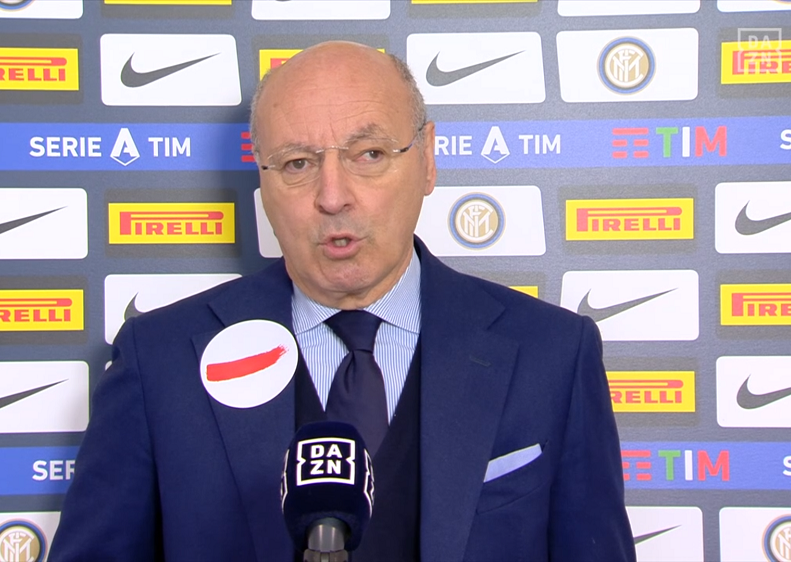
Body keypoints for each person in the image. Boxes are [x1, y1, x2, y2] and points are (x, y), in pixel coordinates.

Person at [50, 41, 635, 561]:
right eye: (298, 163)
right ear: (263, 182)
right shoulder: (160, 362)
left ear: (427, 159)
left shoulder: (552, 355)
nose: (333, 196)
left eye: (369, 154)